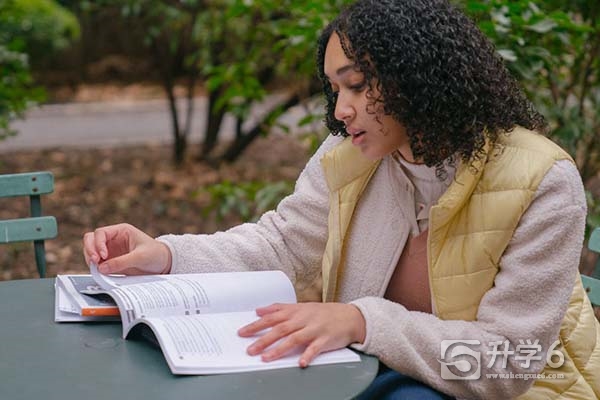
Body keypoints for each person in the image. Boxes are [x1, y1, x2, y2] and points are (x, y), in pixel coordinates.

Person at [83, 0, 599, 398]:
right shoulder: (352, 155)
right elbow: (284, 245)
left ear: (416, 77)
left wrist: (361, 321)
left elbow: (508, 363)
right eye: (335, 90)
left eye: (356, 86)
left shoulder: (542, 181)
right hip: (360, 371)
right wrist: (167, 255)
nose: (342, 111)